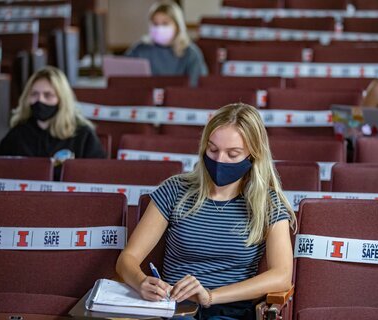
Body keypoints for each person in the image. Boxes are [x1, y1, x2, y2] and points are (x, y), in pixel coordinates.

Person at [116, 103, 296, 320]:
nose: (219, 160)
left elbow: (282, 276)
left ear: (253, 155)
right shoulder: (174, 190)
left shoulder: (268, 204)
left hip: (230, 310)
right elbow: (127, 258)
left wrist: (210, 296)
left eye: (233, 154)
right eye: (212, 149)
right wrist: (141, 282)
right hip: (173, 307)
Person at [0, 66, 106, 166]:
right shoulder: (18, 134)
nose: (39, 100)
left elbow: (98, 173)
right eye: (34, 94)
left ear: (62, 100)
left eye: (48, 95)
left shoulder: (83, 134)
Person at [126, 0, 208, 87]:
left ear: (177, 26)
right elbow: (122, 73)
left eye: (165, 23)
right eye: (155, 24)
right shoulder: (140, 49)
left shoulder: (190, 54)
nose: (159, 28)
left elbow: (198, 87)